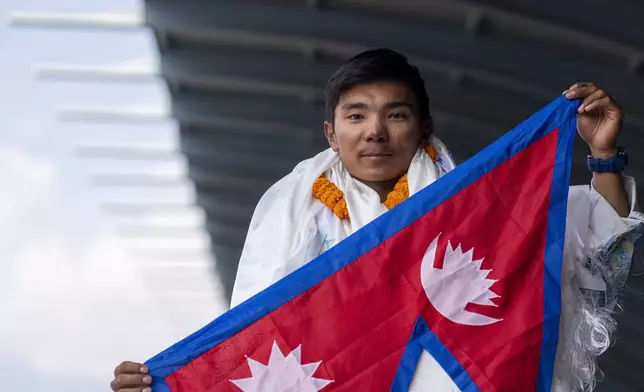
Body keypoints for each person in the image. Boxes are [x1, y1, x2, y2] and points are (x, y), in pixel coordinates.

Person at [110, 49, 643, 392]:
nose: (375, 132)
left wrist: (602, 154)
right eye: (356, 115)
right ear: (330, 132)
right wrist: (166, 385)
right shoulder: (290, 211)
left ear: (422, 126)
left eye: (395, 114)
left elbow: (593, 235)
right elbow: (258, 340)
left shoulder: (479, 207)